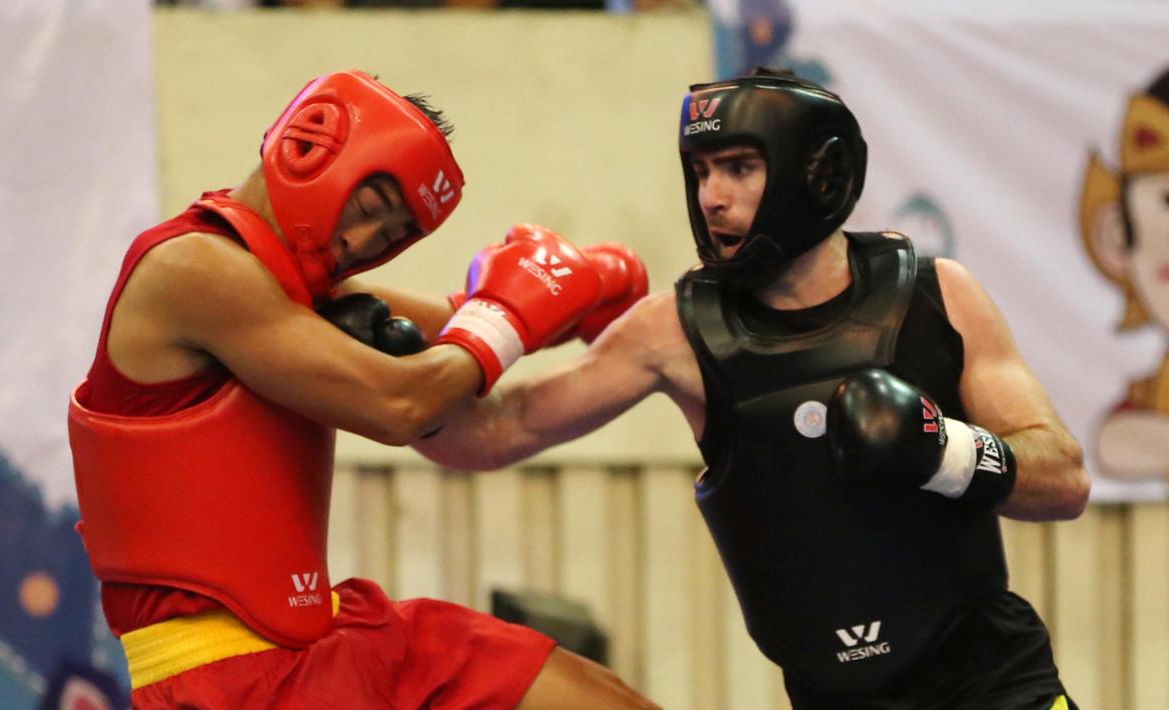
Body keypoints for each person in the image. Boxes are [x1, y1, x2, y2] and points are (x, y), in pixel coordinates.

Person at [414, 67, 1091, 709]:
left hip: (997, 687)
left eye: (739, 167)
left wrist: (943, 452)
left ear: (816, 171)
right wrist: (418, 349)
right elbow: (494, 433)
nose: (712, 195)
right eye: (702, 170)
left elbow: (1062, 482)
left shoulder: (934, 295)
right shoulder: (675, 330)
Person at [67, 70, 657, 709]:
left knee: (598, 697)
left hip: (327, 639)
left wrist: (584, 288)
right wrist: (511, 312)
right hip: (231, 685)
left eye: (393, 235)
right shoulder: (194, 268)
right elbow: (401, 402)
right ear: (308, 147)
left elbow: (460, 318)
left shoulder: (290, 288)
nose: (362, 245)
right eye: (371, 211)